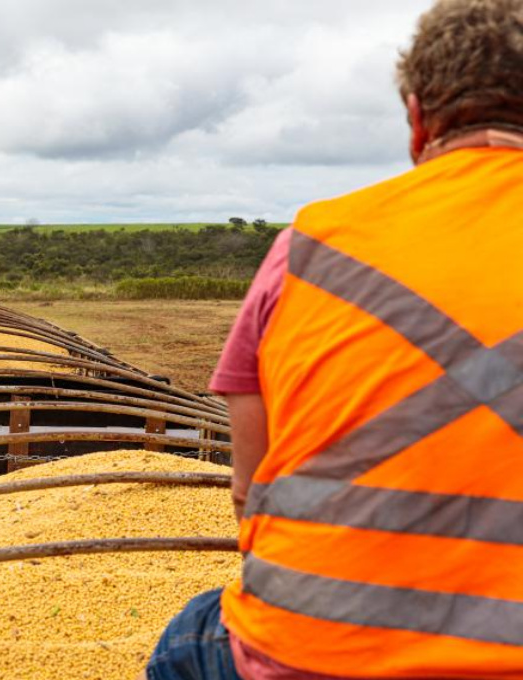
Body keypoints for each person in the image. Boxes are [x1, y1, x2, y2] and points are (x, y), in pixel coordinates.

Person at [142, 0, 523, 677]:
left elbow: (248, 490)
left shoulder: (311, 249)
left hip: (312, 650)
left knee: (185, 645)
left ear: (417, 117)